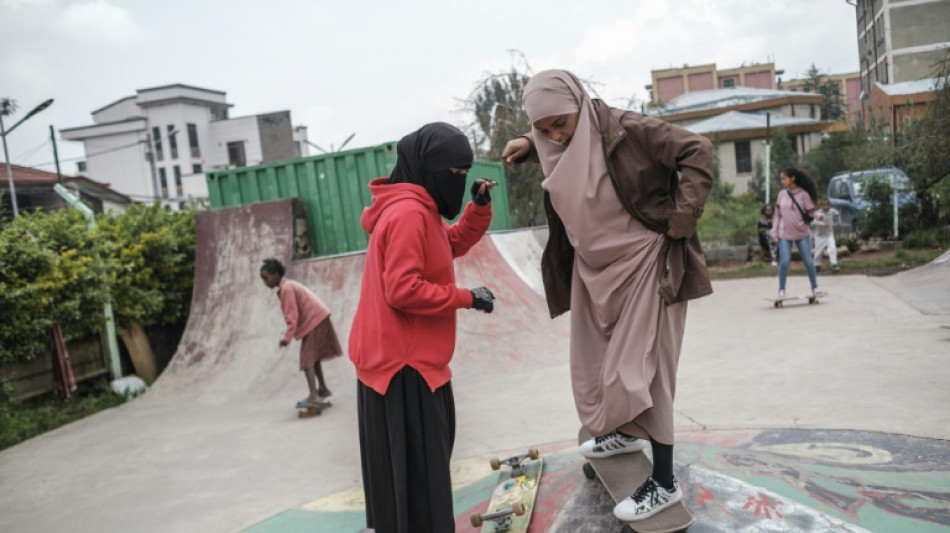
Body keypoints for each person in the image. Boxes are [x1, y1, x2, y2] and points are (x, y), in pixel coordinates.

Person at [502, 69, 713, 522]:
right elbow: (552, 134)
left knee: (644, 373)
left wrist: (684, 217)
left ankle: (664, 483)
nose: (556, 135)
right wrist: (529, 138)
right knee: (597, 363)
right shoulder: (557, 144)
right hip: (596, 270)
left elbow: (698, 150)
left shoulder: (629, 130)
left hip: (647, 265)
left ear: (580, 101)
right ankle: (623, 430)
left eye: (561, 122)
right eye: (545, 129)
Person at [349, 122, 497, 533]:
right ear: (428, 169)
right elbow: (402, 289)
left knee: (406, 488)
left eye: (466, 174)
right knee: (421, 492)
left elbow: (446, 245)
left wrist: (477, 208)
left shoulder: (419, 208)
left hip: (402, 368)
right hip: (405, 372)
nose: (460, 181)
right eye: (455, 174)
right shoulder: (409, 213)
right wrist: (468, 297)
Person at [260, 258, 341, 407]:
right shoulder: (288, 286)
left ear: (276, 275)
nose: (265, 283)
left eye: (266, 278)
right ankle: (322, 389)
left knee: (307, 359)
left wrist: (286, 337)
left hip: (315, 321)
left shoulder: (286, 289)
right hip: (319, 318)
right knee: (313, 358)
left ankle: (314, 395)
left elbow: (292, 316)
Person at [772, 167, 823, 298]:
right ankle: (781, 290)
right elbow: (777, 215)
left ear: (792, 178)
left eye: (784, 178)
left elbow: (811, 210)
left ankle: (815, 287)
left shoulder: (803, 195)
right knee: (784, 262)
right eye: (781, 178)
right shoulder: (782, 194)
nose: (782, 181)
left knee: (808, 261)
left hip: (802, 233)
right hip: (785, 234)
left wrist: (818, 216)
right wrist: (775, 231)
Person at [811, 198, 840, 273]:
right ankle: (816, 265)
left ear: (829, 205)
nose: (825, 206)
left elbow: (837, 217)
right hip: (820, 235)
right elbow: (813, 223)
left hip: (829, 234)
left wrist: (837, 223)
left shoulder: (833, 211)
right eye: (823, 205)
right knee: (819, 251)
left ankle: (834, 264)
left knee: (832, 248)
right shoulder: (818, 212)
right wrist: (822, 224)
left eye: (827, 204)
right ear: (821, 205)